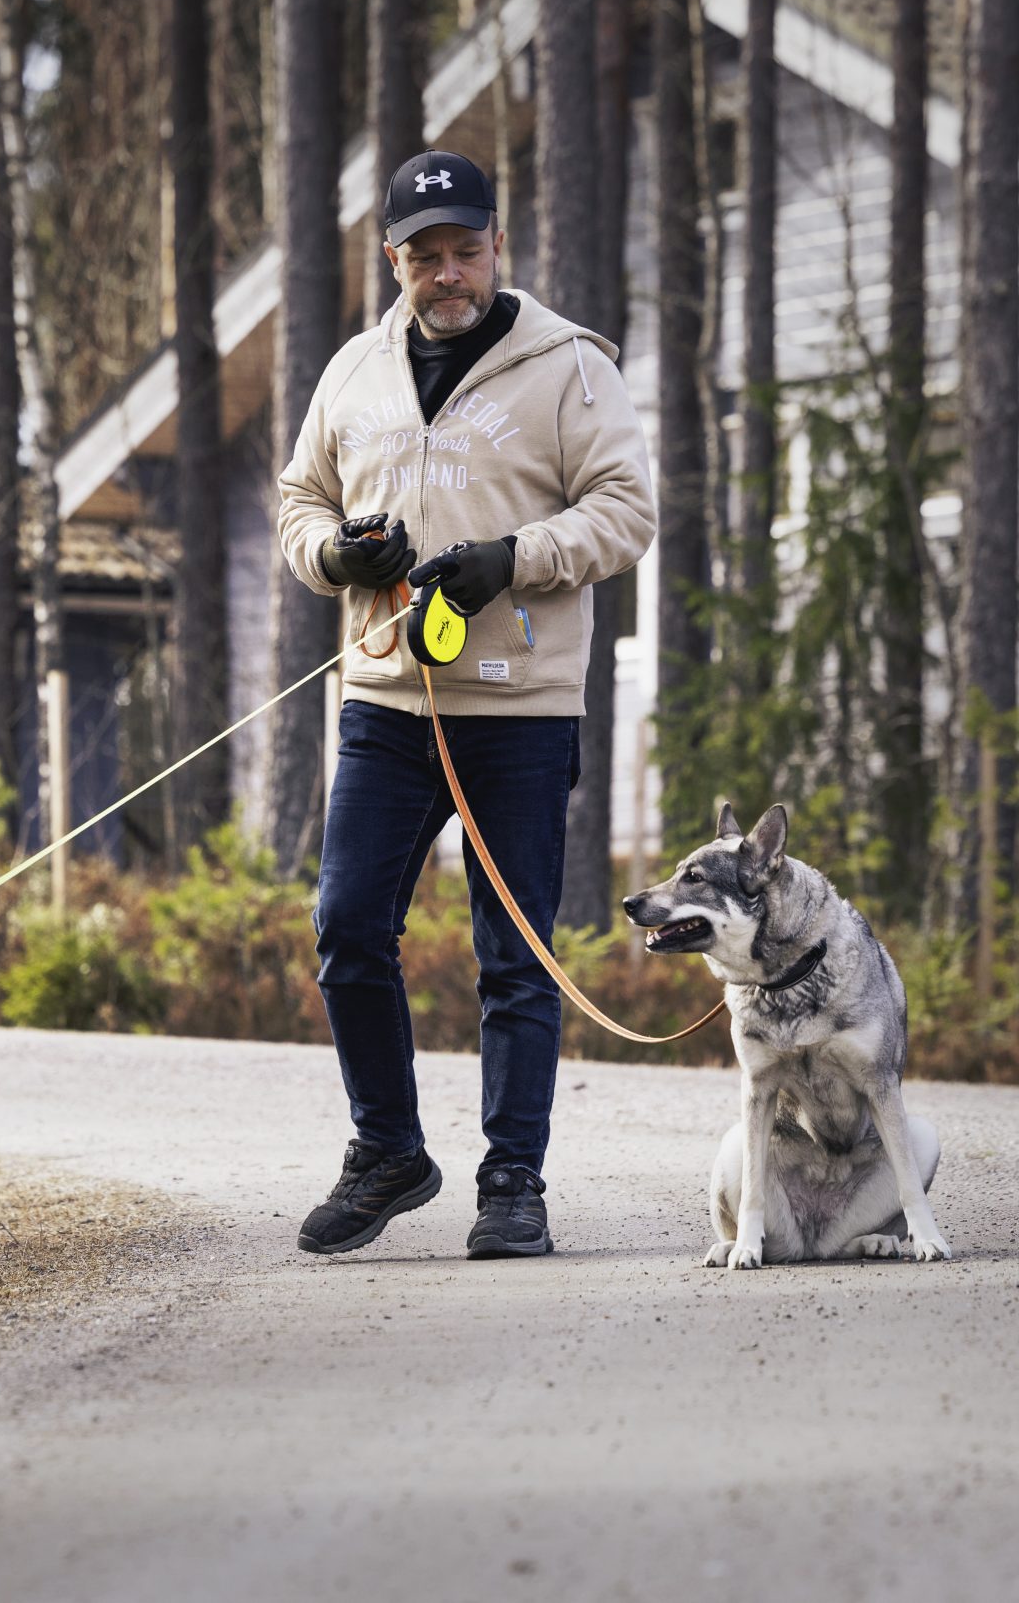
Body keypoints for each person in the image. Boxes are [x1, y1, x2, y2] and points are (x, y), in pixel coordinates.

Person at [275, 149, 656, 1259]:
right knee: (348, 928)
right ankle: (388, 1151)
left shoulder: (571, 367)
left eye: (465, 250)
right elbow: (300, 501)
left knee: (515, 956)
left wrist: (514, 558)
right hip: (385, 699)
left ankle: (513, 1185)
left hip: (521, 708)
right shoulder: (352, 371)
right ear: (393, 260)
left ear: (499, 244)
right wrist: (335, 555)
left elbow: (626, 511)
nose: (448, 274)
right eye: (425, 256)